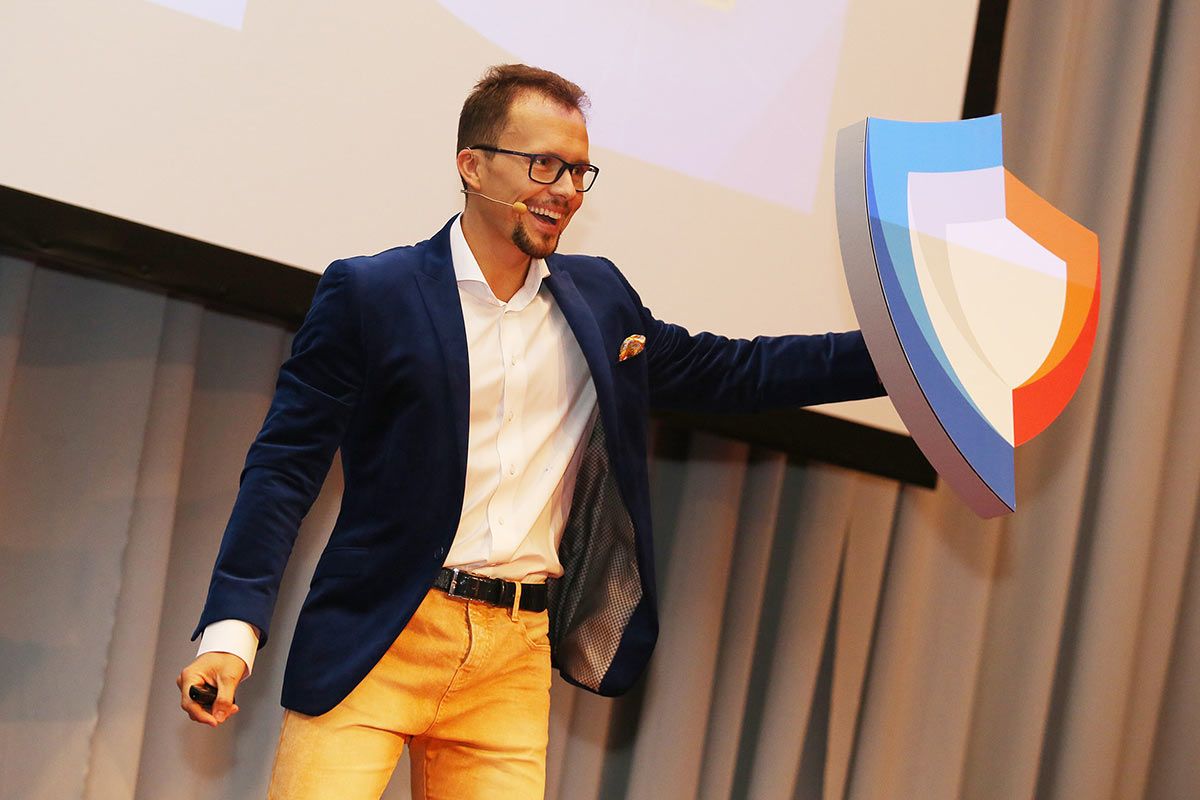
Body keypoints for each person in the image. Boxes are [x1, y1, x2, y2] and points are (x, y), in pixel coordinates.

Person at [176, 63, 885, 799]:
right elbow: (284, 468)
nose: (566, 190)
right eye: (544, 164)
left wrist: (906, 354)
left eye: (579, 172)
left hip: (513, 658)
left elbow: (739, 372)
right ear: (472, 166)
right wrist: (231, 634)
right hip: (380, 636)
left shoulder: (601, 302)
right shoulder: (372, 293)